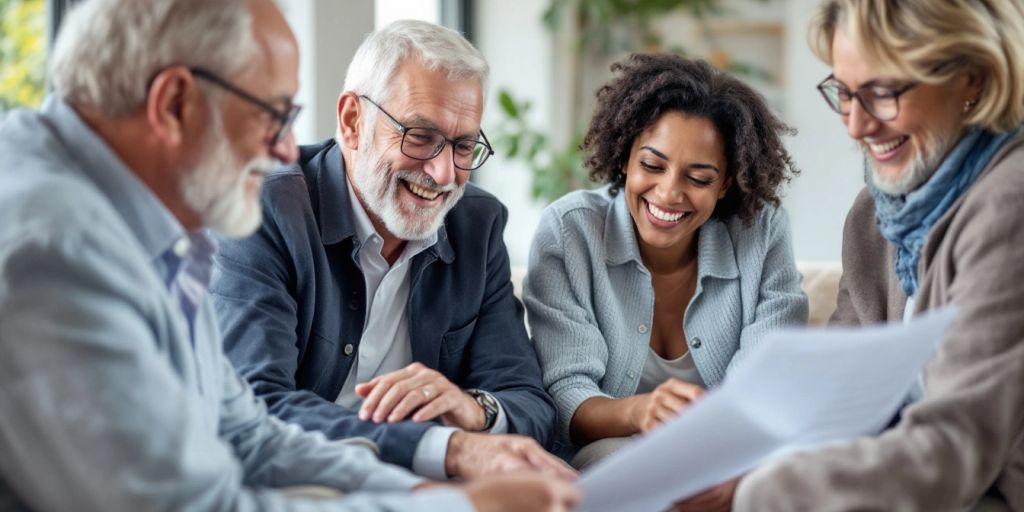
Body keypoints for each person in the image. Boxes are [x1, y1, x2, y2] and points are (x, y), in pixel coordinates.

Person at [0, 1, 581, 511]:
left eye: (459, 146)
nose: (284, 147)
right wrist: (459, 506)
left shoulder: (159, 226)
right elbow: (191, 503)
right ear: (175, 103)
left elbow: (245, 432)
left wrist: (426, 485)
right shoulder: (52, 248)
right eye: (272, 115)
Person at [686, 0, 1024, 510]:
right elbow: (835, 396)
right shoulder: (875, 216)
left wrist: (759, 489)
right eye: (844, 94)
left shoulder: (1010, 202)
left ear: (972, 78)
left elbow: (953, 448)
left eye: (883, 93)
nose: (856, 125)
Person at [208, 19, 568, 482]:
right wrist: (447, 448)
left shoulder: (477, 224)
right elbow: (256, 404)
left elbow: (527, 401)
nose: (443, 174)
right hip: (300, 474)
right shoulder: (263, 208)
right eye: (420, 137)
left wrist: (472, 409)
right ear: (352, 121)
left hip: (424, 473)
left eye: (462, 146)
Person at [522, 54, 808, 469]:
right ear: (625, 157)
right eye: (652, 165)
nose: (669, 193)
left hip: (734, 450)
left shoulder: (761, 233)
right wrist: (640, 412)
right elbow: (566, 394)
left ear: (726, 183)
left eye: (699, 179)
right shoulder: (571, 233)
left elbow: (766, 382)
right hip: (613, 454)